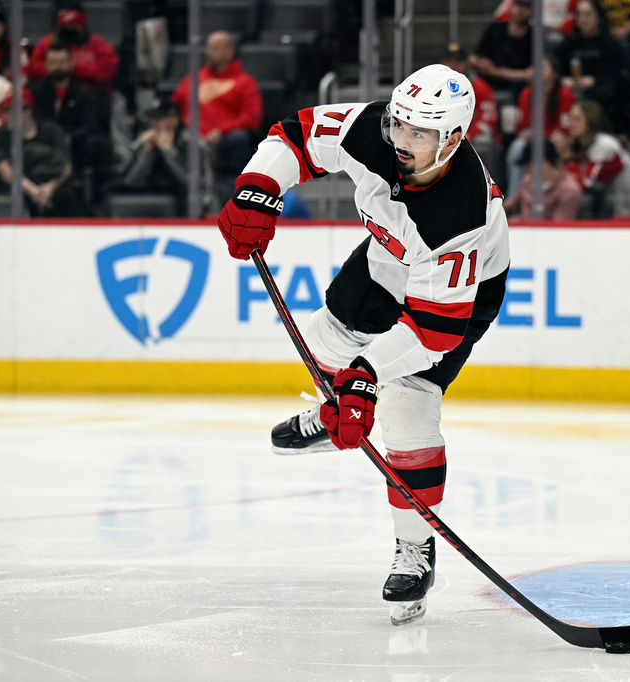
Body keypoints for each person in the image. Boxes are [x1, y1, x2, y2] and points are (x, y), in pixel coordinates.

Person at [216, 64, 510, 626]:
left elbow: (432, 332)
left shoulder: (460, 215)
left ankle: (414, 548)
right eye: (399, 125)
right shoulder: (372, 130)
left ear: (453, 138)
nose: (400, 141)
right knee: (322, 342)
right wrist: (258, 189)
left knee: (407, 417)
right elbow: (295, 137)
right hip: (385, 259)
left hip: (457, 298)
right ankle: (335, 416)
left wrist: (367, 377)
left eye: (419, 134)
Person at [171, 31, 262, 198]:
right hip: (193, 139)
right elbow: (174, 106)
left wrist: (222, 131)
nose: (209, 53)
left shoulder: (245, 83)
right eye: (209, 48)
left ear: (229, 51)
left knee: (239, 138)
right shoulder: (194, 80)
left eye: (215, 49)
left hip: (225, 142)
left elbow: (251, 118)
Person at [30, 42, 112, 199]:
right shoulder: (38, 93)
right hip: (44, 145)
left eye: (61, 62)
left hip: (75, 146)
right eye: (53, 63)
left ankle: (95, 198)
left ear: (70, 63)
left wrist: (68, 137)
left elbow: (90, 126)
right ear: (46, 65)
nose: (58, 67)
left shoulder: (84, 94)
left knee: (98, 144)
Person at [0, 87, 85, 216]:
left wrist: (49, 188)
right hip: (22, 186)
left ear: (28, 110)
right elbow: (5, 170)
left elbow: (67, 166)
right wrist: (33, 190)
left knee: (68, 196)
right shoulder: (1, 135)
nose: (10, 115)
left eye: (16, 110)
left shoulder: (51, 130)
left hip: (53, 185)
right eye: (6, 111)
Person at [118, 99, 210, 216]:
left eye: (159, 118)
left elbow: (193, 185)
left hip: (182, 203)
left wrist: (169, 152)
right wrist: (146, 153)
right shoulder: (145, 140)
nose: (154, 123)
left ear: (175, 120)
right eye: (152, 118)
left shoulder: (190, 143)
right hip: (148, 198)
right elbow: (130, 182)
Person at [557, 99, 630, 217]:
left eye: (577, 119)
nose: (571, 124)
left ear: (590, 122)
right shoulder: (579, 145)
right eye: (570, 119)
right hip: (609, 198)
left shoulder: (604, 144)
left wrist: (568, 159)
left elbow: (586, 183)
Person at [504, 53, 577, 195]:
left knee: (522, 148)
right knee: (517, 147)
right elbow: (522, 128)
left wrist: (537, 135)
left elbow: (563, 130)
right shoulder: (526, 93)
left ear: (555, 74)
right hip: (533, 140)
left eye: (542, 67)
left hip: (554, 142)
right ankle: (513, 196)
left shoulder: (565, 95)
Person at [555, 0, 630, 133]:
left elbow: (618, 75)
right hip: (571, 87)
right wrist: (563, 80)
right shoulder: (568, 43)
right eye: (579, 15)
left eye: (587, 15)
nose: (583, 20)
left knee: (602, 94)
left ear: (599, 17)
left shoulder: (612, 45)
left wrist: (594, 80)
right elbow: (555, 69)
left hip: (599, 90)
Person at [28, 1, 119, 95]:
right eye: (66, 28)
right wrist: (58, 69)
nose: (70, 32)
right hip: (53, 95)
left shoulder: (98, 44)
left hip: (93, 96)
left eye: (74, 27)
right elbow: (34, 69)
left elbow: (107, 71)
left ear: (82, 26)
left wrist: (74, 68)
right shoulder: (47, 43)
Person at [503, 138, 583, 220]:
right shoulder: (527, 182)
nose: (528, 172)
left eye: (529, 168)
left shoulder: (568, 190)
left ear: (544, 164)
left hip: (542, 231)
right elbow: (510, 205)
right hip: (521, 229)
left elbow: (558, 227)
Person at [470, 0, 533, 100]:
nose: (521, 10)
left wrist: (495, 71)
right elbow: (474, 57)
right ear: (512, 7)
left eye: (526, 7)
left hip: (518, 88)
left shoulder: (534, 37)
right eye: (518, 6)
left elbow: (531, 74)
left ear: (531, 11)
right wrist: (480, 64)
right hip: (490, 83)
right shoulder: (495, 29)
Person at [441, 44, 500, 147]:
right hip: (444, 135)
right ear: (442, 63)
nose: (453, 66)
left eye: (458, 62)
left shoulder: (480, 87)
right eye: (449, 61)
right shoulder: (433, 88)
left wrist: (467, 134)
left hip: (472, 135)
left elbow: (487, 120)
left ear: (466, 63)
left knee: (483, 139)